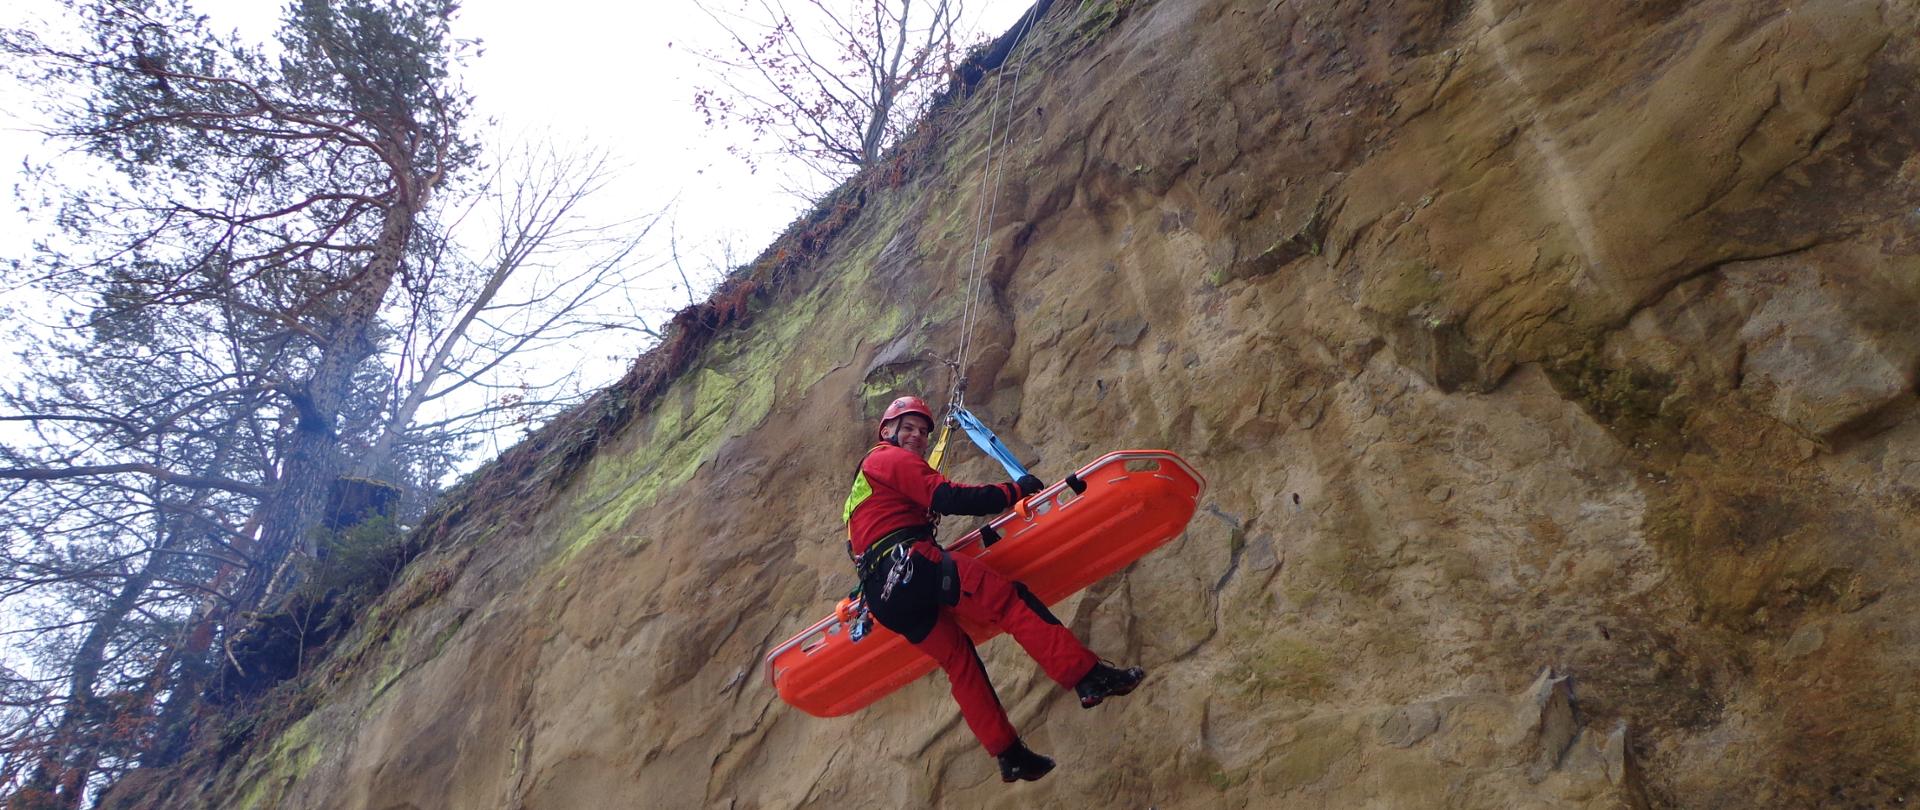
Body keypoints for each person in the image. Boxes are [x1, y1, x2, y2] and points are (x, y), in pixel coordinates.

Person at [843, 394, 1146, 783]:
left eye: (923, 431)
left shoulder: (860, 491)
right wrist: (1015, 490)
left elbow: (860, 542)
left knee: (958, 660)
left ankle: (1009, 754)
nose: (918, 436)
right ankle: (1088, 677)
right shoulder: (886, 458)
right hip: (911, 565)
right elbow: (950, 498)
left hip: (884, 596)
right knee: (1009, 601)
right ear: (887, 431)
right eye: (910, 428)